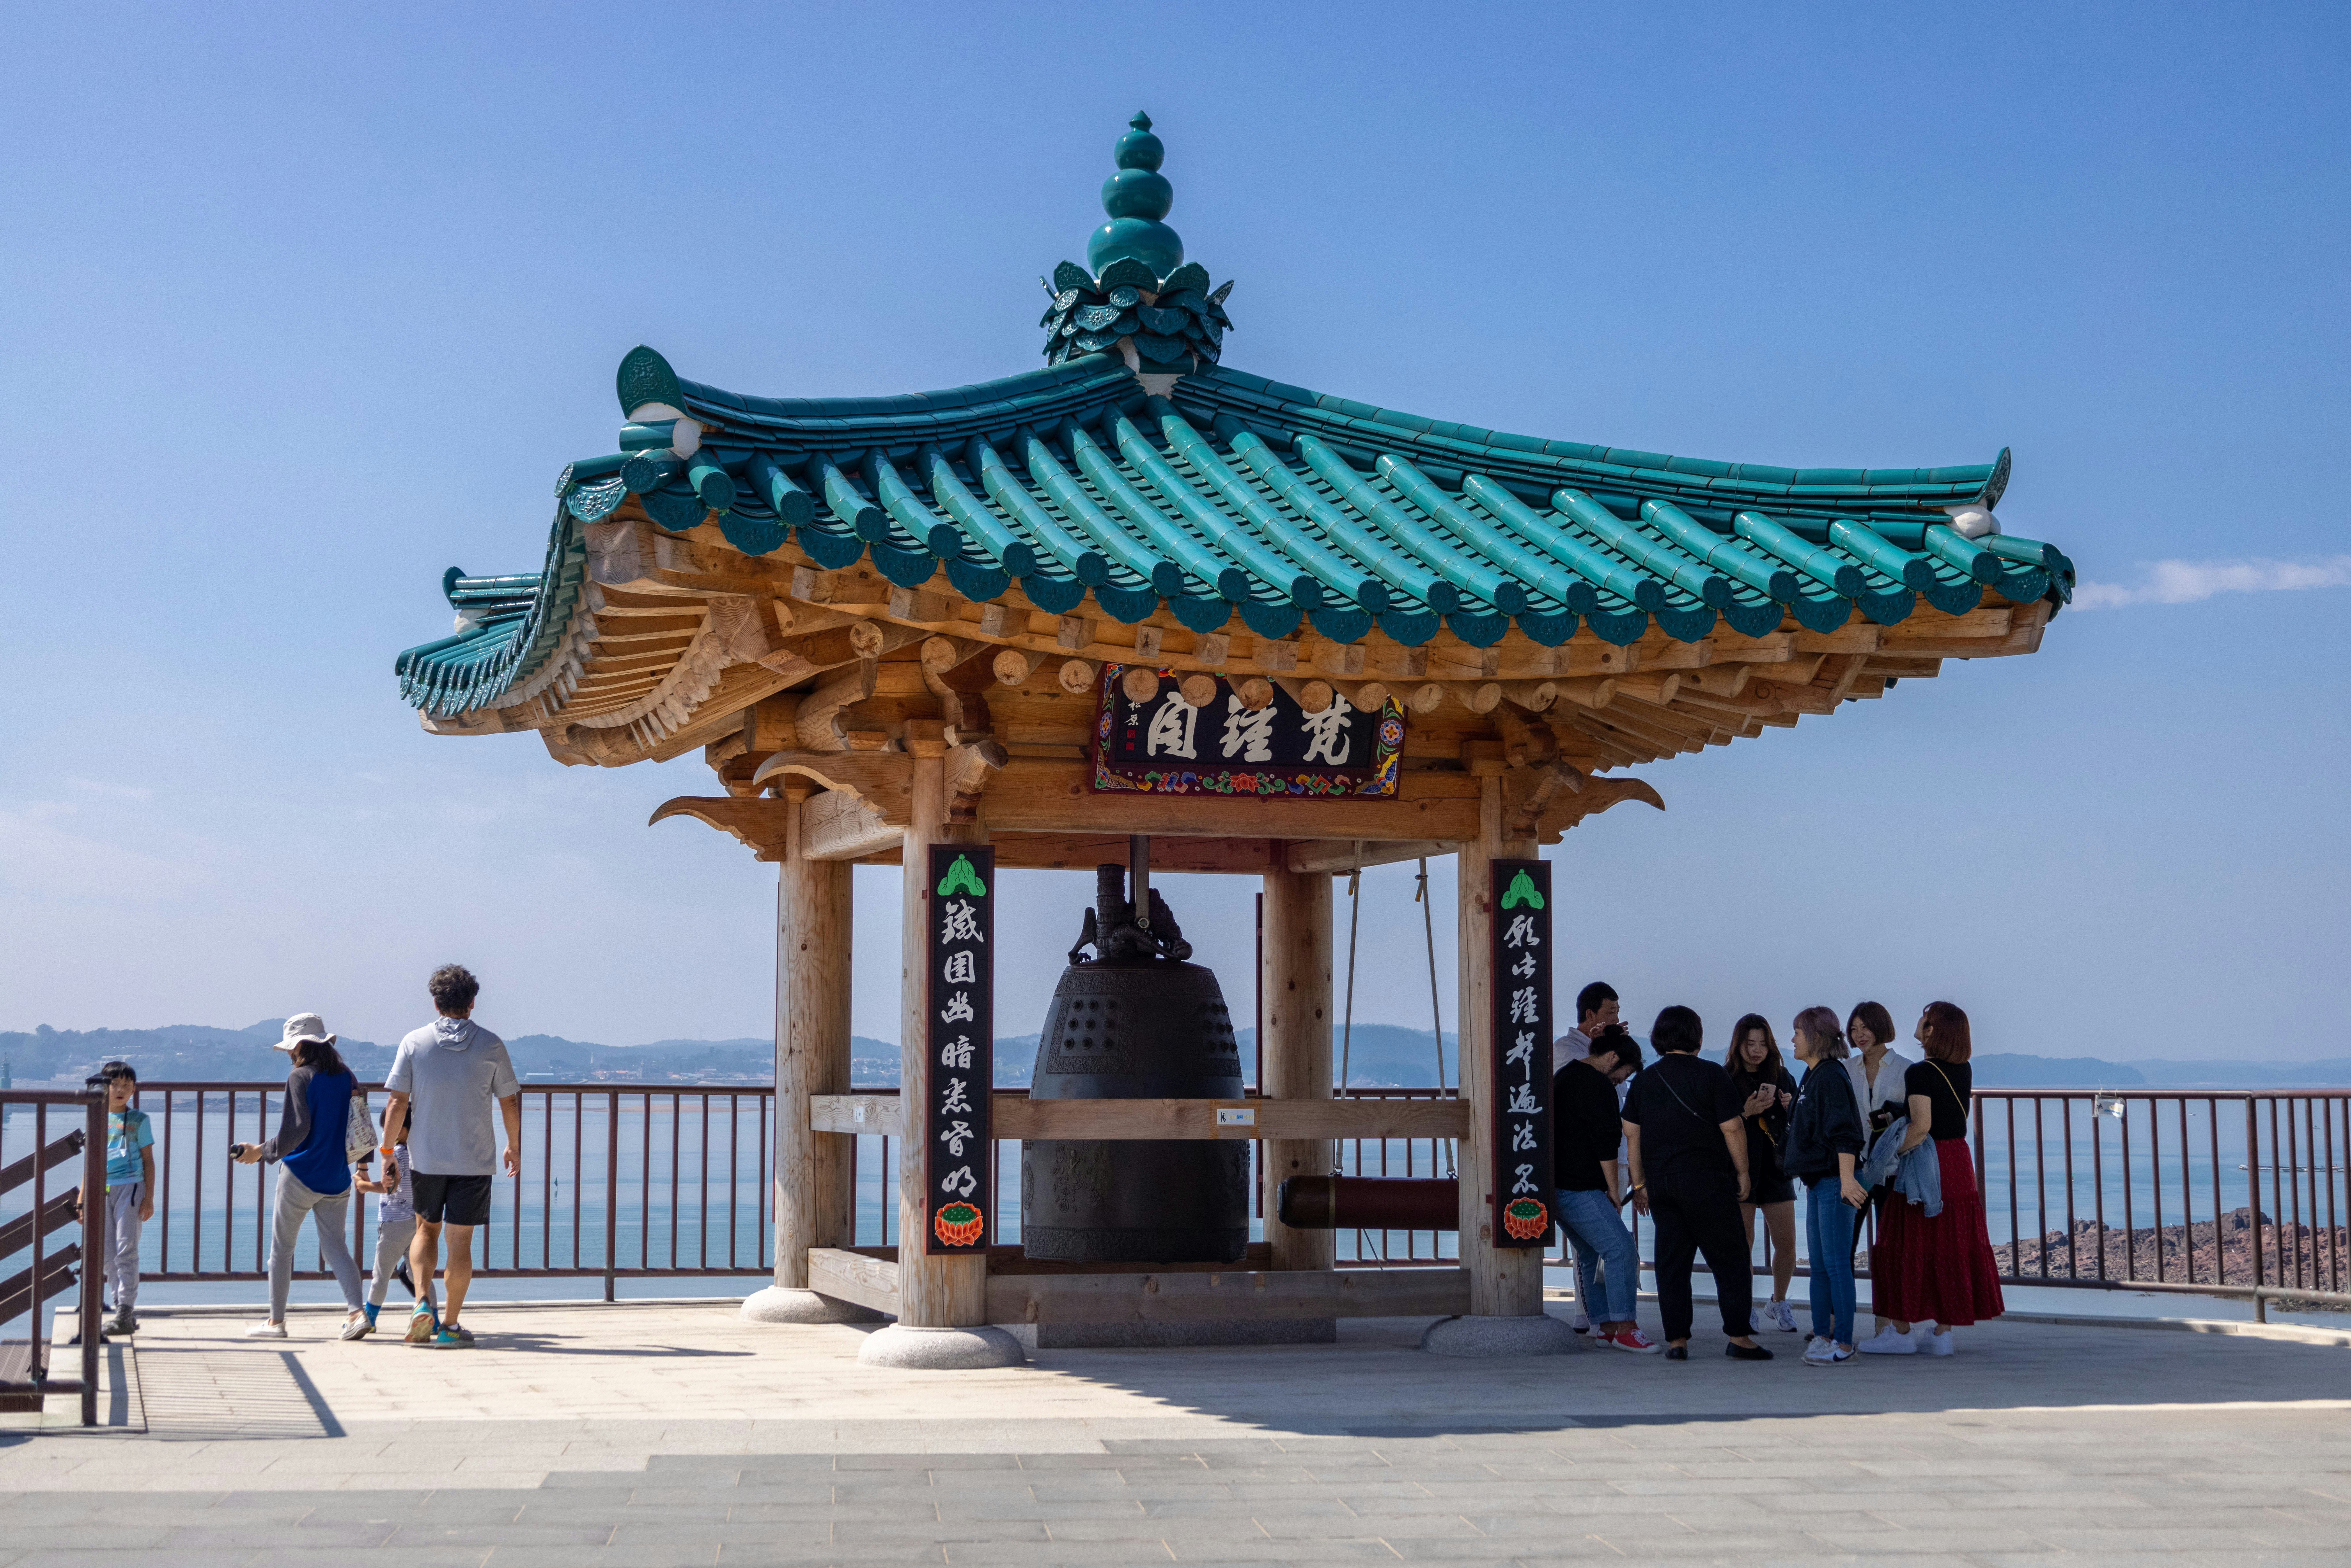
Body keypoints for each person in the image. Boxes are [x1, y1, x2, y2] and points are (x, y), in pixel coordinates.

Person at [1622, 1006, 1772, 1362]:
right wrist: (1744, 1172)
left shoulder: (1645, 1080)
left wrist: (1639, 1182)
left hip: (1661, 1182)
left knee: (1672, 1262)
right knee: (1730, 1258)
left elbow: (1631, 1134)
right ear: (1697, 1037)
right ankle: (1738, 1336)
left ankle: (1677, 1341)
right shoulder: (1711, 1075)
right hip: (1708, 1179)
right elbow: (1732, 1128)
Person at [383, 965, 521, 1350]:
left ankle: (420, 1302)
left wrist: (386, 1151)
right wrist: (514, 1145)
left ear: (435, 1002)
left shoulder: (414, 1042)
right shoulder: (491, 1045)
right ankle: (450, 1327)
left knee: (426, 1231)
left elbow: (397, 1101)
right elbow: (509, 1100)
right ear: (472, 1002)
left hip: (426, 1158)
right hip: (474, 1161)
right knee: (461, 1245)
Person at [1862, 1001, 2005, 1355]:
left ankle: (1901, 1331)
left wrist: (1890, 1153)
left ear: (1932, 1030)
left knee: (1904, 1240)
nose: (1918, 1021)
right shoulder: (1964, 1069)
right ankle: (1942, 1334)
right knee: (1951, 1244)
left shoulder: (1920, 1073)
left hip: (1927, 1161)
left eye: (1924, 1018)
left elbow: (1921, 1126)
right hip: (1957, 1160)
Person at [236, 1014, 368, 1340]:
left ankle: (276, 1323)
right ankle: (357, 1312)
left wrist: (261, 1152)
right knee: (337, 1246)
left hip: (300, 1174)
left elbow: (296, 1131)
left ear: (298, 1047)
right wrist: (362, 1166)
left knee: (282, 1249)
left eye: (289, 1049)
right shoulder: (346, 1076)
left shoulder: (300, 1077)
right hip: (338, 1177)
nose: (288, 1055)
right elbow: (360, 1123)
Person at [1552, 1028, 1656, 1352]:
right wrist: (1614, 1190)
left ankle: (1605, 1326)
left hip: (1554, 1186)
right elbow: (1606, 1142)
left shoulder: (1563, 1076)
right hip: (1580, 1187)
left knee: (1589, 1253)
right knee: (1621, 1249)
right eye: (1621, 1076)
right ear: (1612, 1058)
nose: (1618, 1083)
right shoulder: (1597, 1084)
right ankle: (1626, 1327)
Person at [1784, 1009, 1869, 1365]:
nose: (1792, 1039)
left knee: (1835, 1264)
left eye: (1797, 1033)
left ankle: (1844, 1342)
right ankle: (1822, 1336)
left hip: (1836, 1182)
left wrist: (1847, 1180)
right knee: (1819, 1264)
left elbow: (1845, 1132)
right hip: (1819, 1182)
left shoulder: (1831, 1076)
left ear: (1815, 1036)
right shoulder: (1812, 1075)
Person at [1725, 1015, 1800, 1334]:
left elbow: (1798, 1126)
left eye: (1762, 1044)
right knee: (1744, 1243)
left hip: (1775, 1167)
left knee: (1786, 1244)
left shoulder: (1781, 1076)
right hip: (1740, 1168)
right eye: (1749, 1044)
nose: (1756, 1051)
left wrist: (1788, 1108)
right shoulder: (1726, 1078)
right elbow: (1720, 1128)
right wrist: (1747, 1112)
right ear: (1738, 1045)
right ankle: (1745, 1306)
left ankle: (1778, 1301)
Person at [72, 1062, 154, 1342]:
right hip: (101, 1189)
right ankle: (123, 1308)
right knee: (107, 1256)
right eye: (114, 1084)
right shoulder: (97, 1118)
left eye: (126, 1085)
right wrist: (82, 1198)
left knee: (125, 1250)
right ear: (104, 1087)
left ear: (134, 1089)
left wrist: (149, 1198)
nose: (120, 1090)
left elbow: (148, 1161)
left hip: (131, 1189)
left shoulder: (139, 1120)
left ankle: (124, 1311)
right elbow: (90, 1162)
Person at [1842, 1000, 1914, 1319]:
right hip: (1855, 1169)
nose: (1859, 1034)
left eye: (1866, 1027)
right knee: (1842, 1247)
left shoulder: (1906, 1070)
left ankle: (1888, 1325)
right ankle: (1835, 1322)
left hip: (1892, 1171)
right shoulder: (1845, 1069)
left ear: (1881, 1027)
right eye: (1854, 1029)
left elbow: (1917, 1120)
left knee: (1890, 1251)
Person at [352, 1121, 437, 1338]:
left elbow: (391, 1185)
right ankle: (434, 1320)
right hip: (417, 1221)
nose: (385, 1132)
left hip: (394, 1223)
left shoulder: (396, 1154)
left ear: (403, 1129)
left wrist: (365, 1187)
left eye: (389, 1127)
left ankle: (369, 1318)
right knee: (418, 1272)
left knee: (381, 1273)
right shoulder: (421, 1152)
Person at [1553, 981, 1621, 1073]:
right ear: (1590, 1015)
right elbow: (1591, 1075)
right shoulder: (1565, 1047)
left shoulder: (1610, 1047)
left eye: (1617, 1013)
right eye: (1611, 1013)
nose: (1617, 1020)